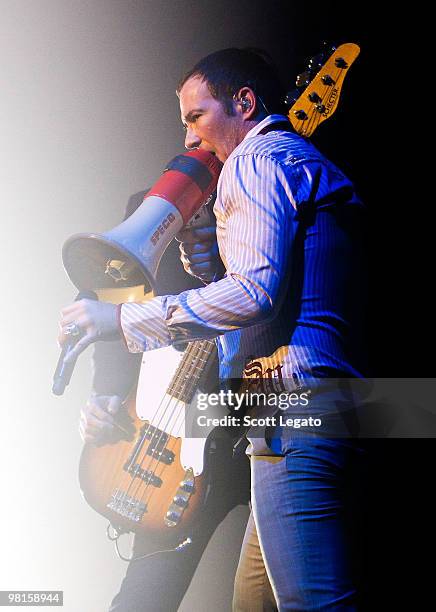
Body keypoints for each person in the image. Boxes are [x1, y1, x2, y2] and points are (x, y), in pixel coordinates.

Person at [60, 48, 367, 610]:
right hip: (305, 407)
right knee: (254, 598)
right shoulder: (301, 159)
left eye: (196, 117)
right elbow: (280, 292)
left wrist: (124, 317)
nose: (190, 139)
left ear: (244, 103)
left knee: (314, 601)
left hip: (286, 409)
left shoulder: (253, 162)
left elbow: (252, 293)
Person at [79, 190, 251, 612]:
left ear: (244, 117)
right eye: (184, 119)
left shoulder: (270, 197)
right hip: (174, 433)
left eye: (195, 117)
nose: (190, 135)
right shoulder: (155, 205)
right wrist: (109, 394)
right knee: (145, 596)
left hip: (257, 413)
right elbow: (114, 307)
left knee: (277, 592)